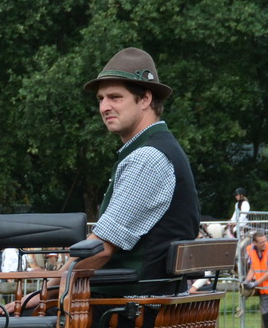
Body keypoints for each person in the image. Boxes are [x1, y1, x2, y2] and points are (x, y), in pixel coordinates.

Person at [69, 48, 202, 285]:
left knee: (5, 318)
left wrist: (36, 295)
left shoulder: (148, 159)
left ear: (146, 99)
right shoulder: (156, 149)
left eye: (115, 97)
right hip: (134, 307)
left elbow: (100, 250)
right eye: (101, 99)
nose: (104, 107)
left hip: (129, 310)